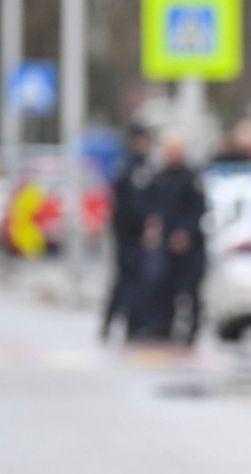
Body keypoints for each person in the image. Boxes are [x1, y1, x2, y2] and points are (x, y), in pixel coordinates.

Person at [146, 133, 207, 345]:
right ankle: (164, 327)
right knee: (164, 288)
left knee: (191, 290)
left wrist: (185, 233)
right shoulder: (160, 177)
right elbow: (154, 209)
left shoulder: (191, 178)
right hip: (166, 244)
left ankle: (192, 330)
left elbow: (199, 210)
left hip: (190, 245)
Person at [101, 124, 152, 342]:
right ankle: (112, 322)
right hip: (127, 234)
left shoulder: (145, 166)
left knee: (137, 281)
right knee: (124, 281)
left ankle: (133, 325)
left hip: (140, 235)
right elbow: (123, 204)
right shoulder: (127, 167)